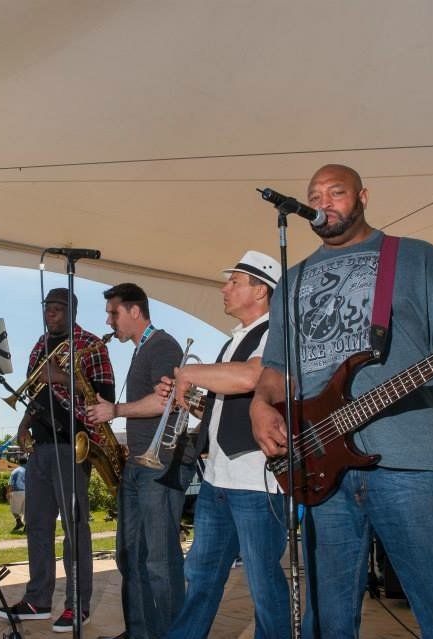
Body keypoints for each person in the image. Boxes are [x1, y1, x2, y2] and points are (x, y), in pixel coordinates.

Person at [249, 164, 433, 638]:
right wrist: (260, 404)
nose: (324, 203)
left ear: (363, 196)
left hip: (411, 461)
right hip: (319, 462)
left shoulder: (416, 258)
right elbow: (277, 369)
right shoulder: (293, 281)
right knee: (326, 619)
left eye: (335, 193)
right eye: (314, 195)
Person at [161, 250, 290, 639]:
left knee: (264, 583)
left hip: (257, 481)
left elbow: (252, 378)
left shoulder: (276, 334)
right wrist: (187, 394)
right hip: (219, 477)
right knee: (200, 575)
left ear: (261, 291)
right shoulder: (233, 340)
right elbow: (225, 406)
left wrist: (188, 372)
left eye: (234, 281)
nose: (224, 288)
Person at [0, 288, 114, 633]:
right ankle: (37, 599)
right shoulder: (39, 344)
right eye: (47, 306)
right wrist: (22, 428)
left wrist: (63, 378)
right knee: (37, 525)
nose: (51, 312)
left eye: (58, 307)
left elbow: (105, 398)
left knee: (74, 529)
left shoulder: (92, 345)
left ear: (72, 309)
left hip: (73, 444)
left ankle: (78, 605)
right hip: (41, 446)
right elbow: (34, 393)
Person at [86, 282, 189, 639]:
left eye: (113, 312)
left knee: (160, 561)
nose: (109, 320)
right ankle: (141, 633)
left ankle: (172, 634)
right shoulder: (140, 349)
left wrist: (114, 410)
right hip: (138, 466)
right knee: (130, 557)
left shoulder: (163, 345)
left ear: (134, 311)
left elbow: (167, 401)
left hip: (159, 465)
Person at [7, 457, 27, 532]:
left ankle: (19, 522)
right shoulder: (30, 470)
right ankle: (27, 526)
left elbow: (11, 483)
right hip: (28, 492)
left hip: (17, 492)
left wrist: (8, 493)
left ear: (19, 462)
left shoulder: (15, 471)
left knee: (14, 509)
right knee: (26, 510)